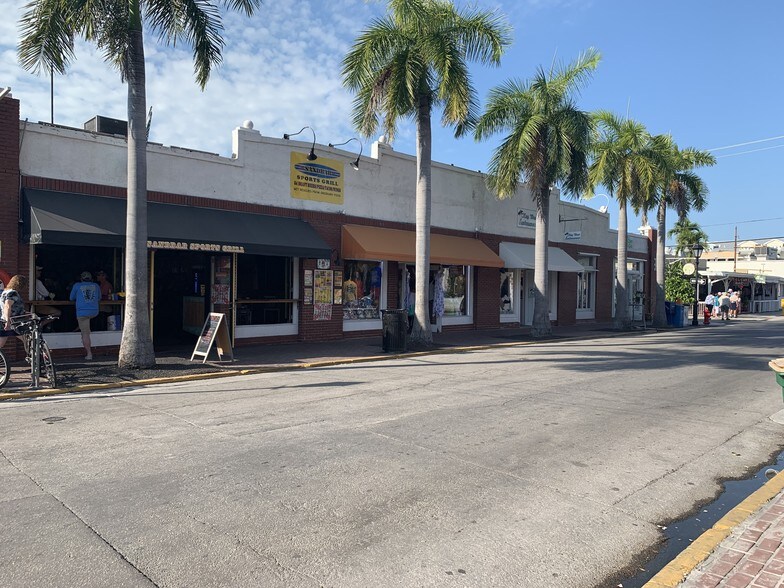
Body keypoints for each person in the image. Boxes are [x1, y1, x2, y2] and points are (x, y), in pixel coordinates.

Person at [70, 271, 100, 360]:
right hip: (95, 312)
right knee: (88, 327)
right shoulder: (96, 286)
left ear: (81, 279)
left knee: (85, 333)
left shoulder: (77, 286)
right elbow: (99, 298)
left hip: (82, 313)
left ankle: (89, 354)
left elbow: (71, 298)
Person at [0, 275, 29, 349]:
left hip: (4, 321)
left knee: (1, 344)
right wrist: (7, 321)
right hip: (15, 322)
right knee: (27, 339)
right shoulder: (13, 293)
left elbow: (11, 307)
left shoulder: (5, 292)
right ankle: (35, 357)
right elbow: (7, 306)